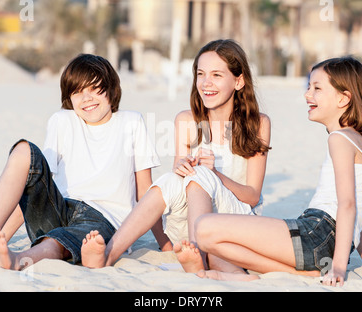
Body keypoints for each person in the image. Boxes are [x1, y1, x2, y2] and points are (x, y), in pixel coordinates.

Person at [81, 39, 271, 272]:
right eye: (201, 74)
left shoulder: (258, 124)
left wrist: (213, 175)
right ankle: (109, 254)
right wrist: (183, 167)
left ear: (239, 81)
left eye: (217, 75)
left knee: (201, 175)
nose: (206, 83)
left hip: (235, 221)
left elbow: (252, 196)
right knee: (171, 180)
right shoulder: (186, 120)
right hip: (190, 221)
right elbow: (179, 185)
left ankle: (199, 256)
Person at [193, 56, 362, 286]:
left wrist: (339, 267)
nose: (307, 94)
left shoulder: (340, 139)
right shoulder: (355, 140)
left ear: (344, 98)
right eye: (309, 86)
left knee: (204, 228)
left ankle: (305, 273)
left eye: (317, 88)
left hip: (317, 233)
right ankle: (299, 272)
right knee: (214, 244)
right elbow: (357, 216)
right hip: (322, 239)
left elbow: (348, 205)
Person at [0, 53, 160, 270]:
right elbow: (31, 182)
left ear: (112, 90)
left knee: (57, 241)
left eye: (94, 89)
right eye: (77, 92)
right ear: (69, 97)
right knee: (22, 150)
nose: (87, 98)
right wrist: (1, 235)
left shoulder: (131, 122)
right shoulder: (62, 121)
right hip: (60, 207)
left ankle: (18, 259)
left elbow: (145, 192)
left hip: (102, 220)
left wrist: (164, 244)